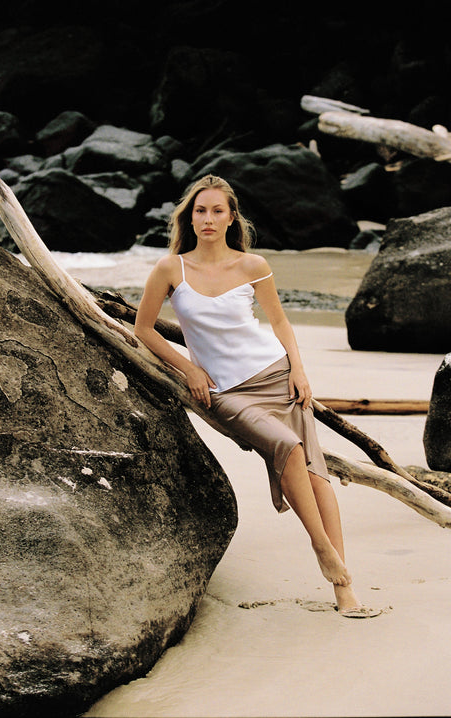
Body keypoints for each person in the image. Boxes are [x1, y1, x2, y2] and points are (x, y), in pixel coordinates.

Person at [135, 174, 378, 618]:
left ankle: (345, 590)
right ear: (190, 218)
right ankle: (322, 549)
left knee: (316, 472)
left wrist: (300, 370)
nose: (208, 218)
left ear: (231, 218)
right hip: (225, 390)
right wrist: (188, 367)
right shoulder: (171, 268)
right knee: (287, 447)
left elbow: (280, 323)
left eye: (217, 211)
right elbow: (143, 328)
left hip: (275, 375)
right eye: (200, 210)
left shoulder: (252, 265)